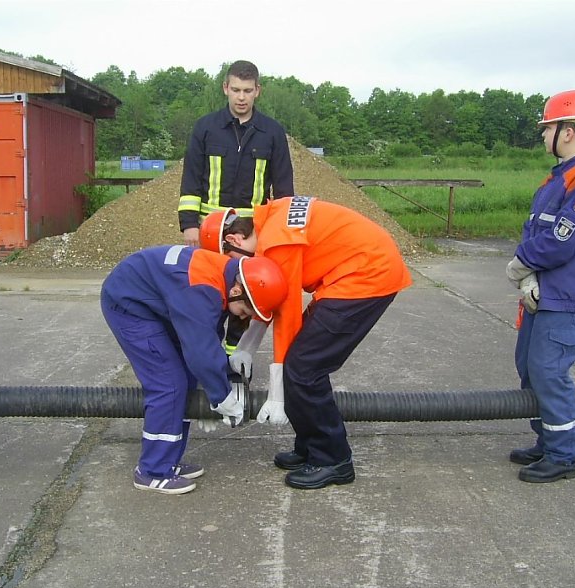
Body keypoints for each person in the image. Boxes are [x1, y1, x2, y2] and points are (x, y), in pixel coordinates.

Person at [200, 196, 413, 489]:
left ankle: (333, 460)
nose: (236, 273)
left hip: (366, 276)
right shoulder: (271, 221)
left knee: (304, 367)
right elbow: (270, 297)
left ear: (233, 240)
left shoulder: (277, 242)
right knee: (299, 364)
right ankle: (310, 447)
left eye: (231, 262)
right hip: (355, 271)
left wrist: (277, 396)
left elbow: (286, 314)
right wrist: (246, 347)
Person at [101, 245, 288, 495]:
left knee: (187, 378)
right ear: (236, 291)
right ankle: (152, 471)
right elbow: (201, 351)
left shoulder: (225, 277)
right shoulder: (202, 288)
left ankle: (168, 461)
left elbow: (208, 335)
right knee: (168, 384)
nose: (244, 317)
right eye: (246, 311)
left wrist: (210, 387)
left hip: (153, 300)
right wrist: (220, 396)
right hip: (129, 306)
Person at [505, 89, 575, 483]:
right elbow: (536, 230)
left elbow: (561, 241)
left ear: (567, 131)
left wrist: (522, 263)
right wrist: (529, 274)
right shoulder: (558, 179)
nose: (542, 135)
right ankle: (547, 439)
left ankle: (564, 455)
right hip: (544, 291)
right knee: (529, 367)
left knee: (548, 371)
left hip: (565, 295)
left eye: (547, 127)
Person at [178, 59, 294, 355]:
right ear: (225, 88)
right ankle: (207, 356)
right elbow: (191, 179)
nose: (241, 97)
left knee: (244, 295)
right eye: (236, 90)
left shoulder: (272, 132)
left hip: (250, 236)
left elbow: (283, 190)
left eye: (247, 90)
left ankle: (235, 361)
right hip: (209, 235)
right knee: (208, 292)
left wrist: (276, 234)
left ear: (258, 91)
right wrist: (189, 225)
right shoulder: (205, 128)